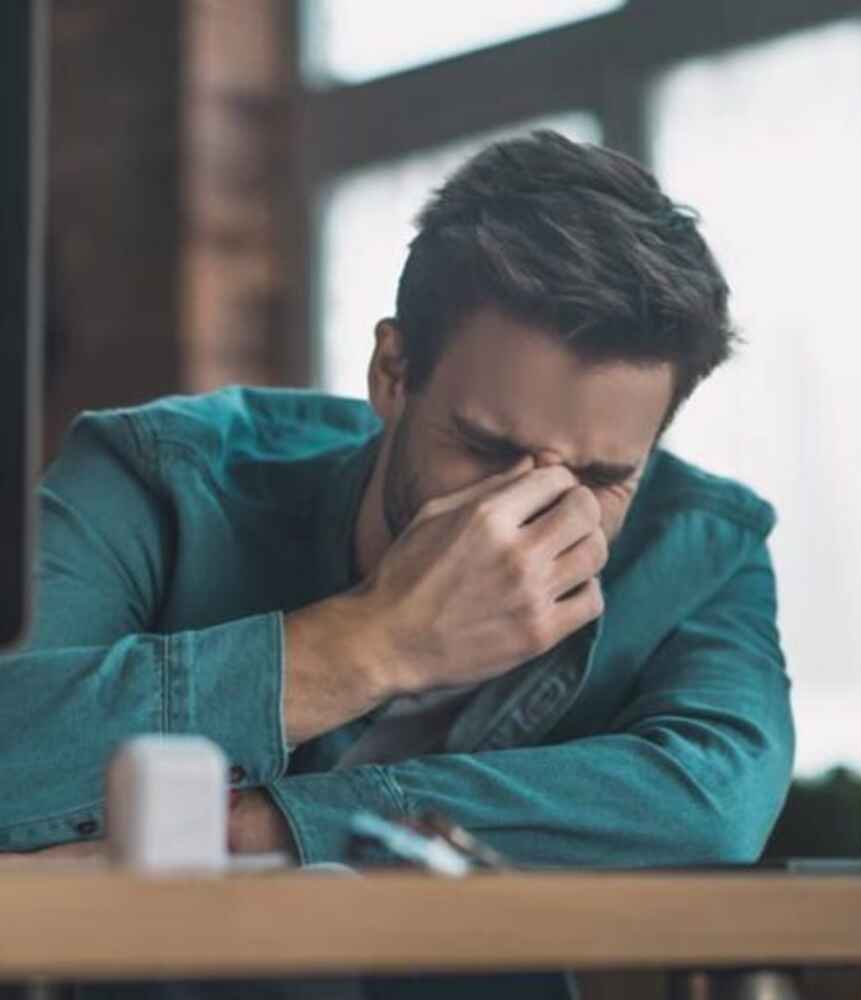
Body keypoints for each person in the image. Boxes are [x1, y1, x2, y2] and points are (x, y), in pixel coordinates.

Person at [0, 130, 793, 996]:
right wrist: (369, 643)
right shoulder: (158, 477)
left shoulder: (703, 548)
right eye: (489, 449)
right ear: (393, 369)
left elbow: (714, 805)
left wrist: (266, 824)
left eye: (603, 477)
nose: (524, 518)